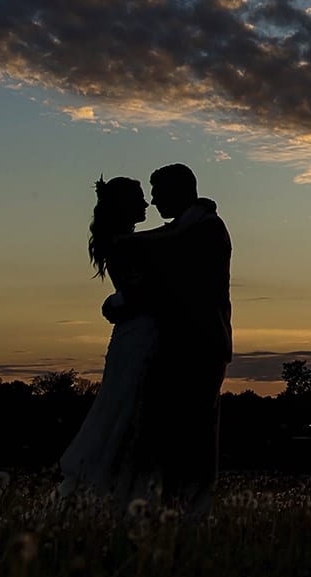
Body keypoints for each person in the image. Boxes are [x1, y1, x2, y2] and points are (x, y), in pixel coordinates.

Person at [99, 163, 232, 509]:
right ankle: (171, 504)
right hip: (178, 344)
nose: (154, 202)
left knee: (193, 432)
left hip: (200, 343)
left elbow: (166, 249)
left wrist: (116, 301)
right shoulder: (188, 225)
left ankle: (189, 506)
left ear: (178, 191)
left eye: (158, 193)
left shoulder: (204, 227)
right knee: (170, 432)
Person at [56, 177, 165, 502]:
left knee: (126, 409)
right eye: (140, 199)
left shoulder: (125, 242)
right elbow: (143, 293)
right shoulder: (126, 244)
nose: (147, 205)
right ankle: (118, 493)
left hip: (133, 335)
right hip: (139, 338)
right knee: (127, 410)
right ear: (123, 206)